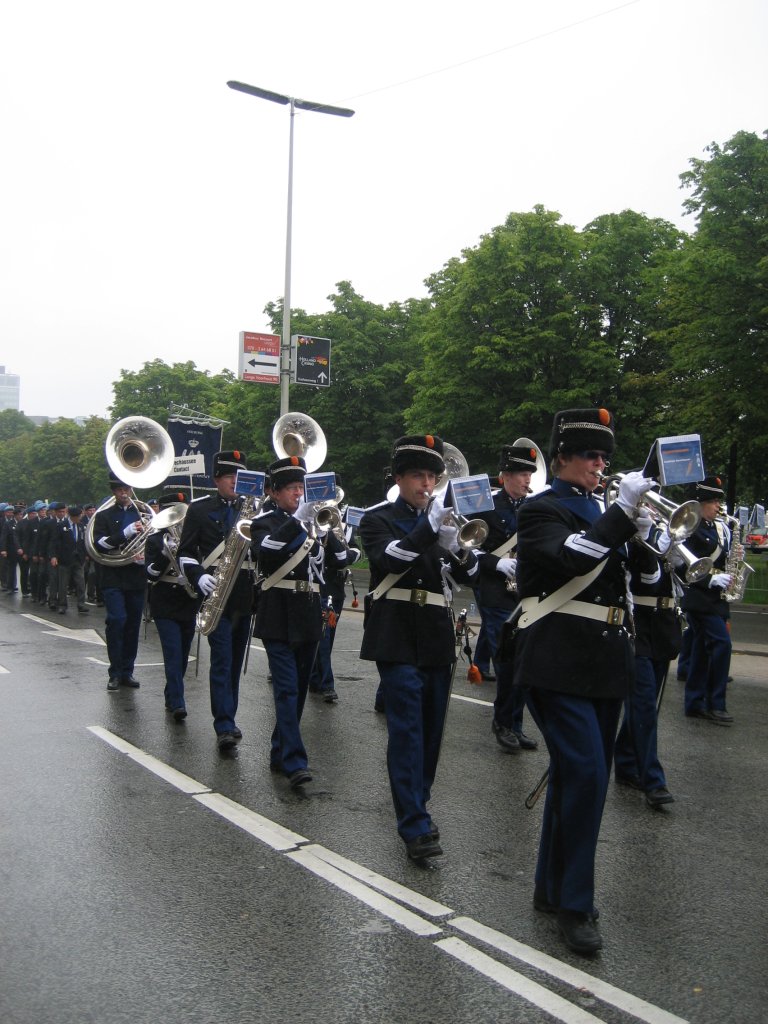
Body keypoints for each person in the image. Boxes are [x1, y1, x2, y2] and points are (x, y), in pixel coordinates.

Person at [512, 408, 652, 955]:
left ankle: (550, 887)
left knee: (578, 775)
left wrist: (644, 537)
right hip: (556, 658)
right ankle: (575, 905)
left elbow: (645, 580)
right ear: (563, 458)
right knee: (589, 775)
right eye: (590, 455)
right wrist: (620, 515)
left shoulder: (605, 513)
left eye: (604, 457)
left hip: (606, 661)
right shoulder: (541, 509)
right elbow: (573, 558)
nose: (600, 464)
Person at [359, 434, 480, 863]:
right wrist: (428, 530)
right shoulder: (377, 519)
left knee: (431, 730)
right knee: (407, 729)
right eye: (417, 476)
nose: (427, 484)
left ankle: (419, 802)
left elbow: (470, 576)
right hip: (395, 633)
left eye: (432, 476)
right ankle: (413, 822)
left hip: (435, 633)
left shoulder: (443, 523)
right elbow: (390, 559)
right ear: (399, 478)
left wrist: (457, 547)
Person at [250, 456, 348, 787]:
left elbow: (340, 559)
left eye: (300, 488)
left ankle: (280, 751)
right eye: (291, 488)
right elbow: (267, 551)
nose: (297, 494)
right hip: (277, 611)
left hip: (309, 611)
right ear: (275, 493)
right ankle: (295, 761)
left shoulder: (316, 523)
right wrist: (298, 521)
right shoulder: (263, 522)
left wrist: (331, 530)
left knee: (300, 689)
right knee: (287, 688)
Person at [178, 450, 253, 751]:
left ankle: (229, 716)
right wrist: (198, 576)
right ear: (216, 480)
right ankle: (223, 724)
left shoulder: (254, 510)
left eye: (239, 477)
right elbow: (185, 552)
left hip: (244, 595)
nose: (235, 482)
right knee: (222, 659)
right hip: (215, 594)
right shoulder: (199, 510)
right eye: (230, 477)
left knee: (235, 662)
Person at [470, 442, 540, 754]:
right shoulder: (486, 507)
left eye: (529, 474)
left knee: (525, 660)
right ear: (506, 476)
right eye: (522, 473)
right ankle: (503, 723)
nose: (528, 479)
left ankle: (516, 725)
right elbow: (466, 547)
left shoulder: (534, 508)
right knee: (508, 660)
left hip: (525, 593)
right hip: (496, 592)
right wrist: (495, 563)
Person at [614, 530, 681, 808]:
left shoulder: (665, 529)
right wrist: (657, 550)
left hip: (663, 626)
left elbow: (686, 579)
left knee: (646, 704)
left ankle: (626, 762)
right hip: (636, 624)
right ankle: (653, 781)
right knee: (643, 705)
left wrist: (677, 558)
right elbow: (646, 581)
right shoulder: (630, 533)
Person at [679, 475, 734, 724]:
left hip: (715, 599)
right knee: (722, 644)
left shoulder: (717, 528)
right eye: (712, 502)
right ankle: (716, 703)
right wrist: (710, 579)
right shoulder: (689, 527)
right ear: (699, 504)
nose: (717, 506)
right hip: (698, 598)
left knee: (702, 649)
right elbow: (682, 565)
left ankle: (694, 702)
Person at [145, 492, 201, 722]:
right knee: (172, 652)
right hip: (164, 601)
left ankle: (171, 693)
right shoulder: (154, 540)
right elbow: (150, 574)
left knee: (184, 653)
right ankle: (178, 701)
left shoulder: (192, 538)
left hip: (187, 600)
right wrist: (165, 555)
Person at [91, 473, 148, 690]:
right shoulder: (104, 516)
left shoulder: (142, 513)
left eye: (127, 489)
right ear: (114, 491)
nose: (124, 493)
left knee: (133, 624)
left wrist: (145, 557)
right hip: (113, 576)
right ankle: (114, 672)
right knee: (116, 621)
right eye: (120, 490)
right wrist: (126, 532)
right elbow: (100, 545)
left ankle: (127, 671)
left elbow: (151, 541)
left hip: (135, 576)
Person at [309, 487, 362, 703]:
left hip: (337, 584)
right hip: (322, 582)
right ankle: (327, 684)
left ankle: (315, 678)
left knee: (328, 637)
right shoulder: (315, 521)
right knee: (323, 636)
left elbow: (356, 551)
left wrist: (347, 555)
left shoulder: (345, 525)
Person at [50, 505, 89, 614]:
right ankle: (62, 605)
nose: (80, 518)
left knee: (81, 583)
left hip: (78, 559)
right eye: (78, 516)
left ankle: (81, 604)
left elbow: (83, 541)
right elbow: (54, 542)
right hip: (65, 559)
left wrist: (85, 554)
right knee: (63, 584)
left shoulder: (81, 526)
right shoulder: (61, 525)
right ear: (73, 516)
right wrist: (53, 556)